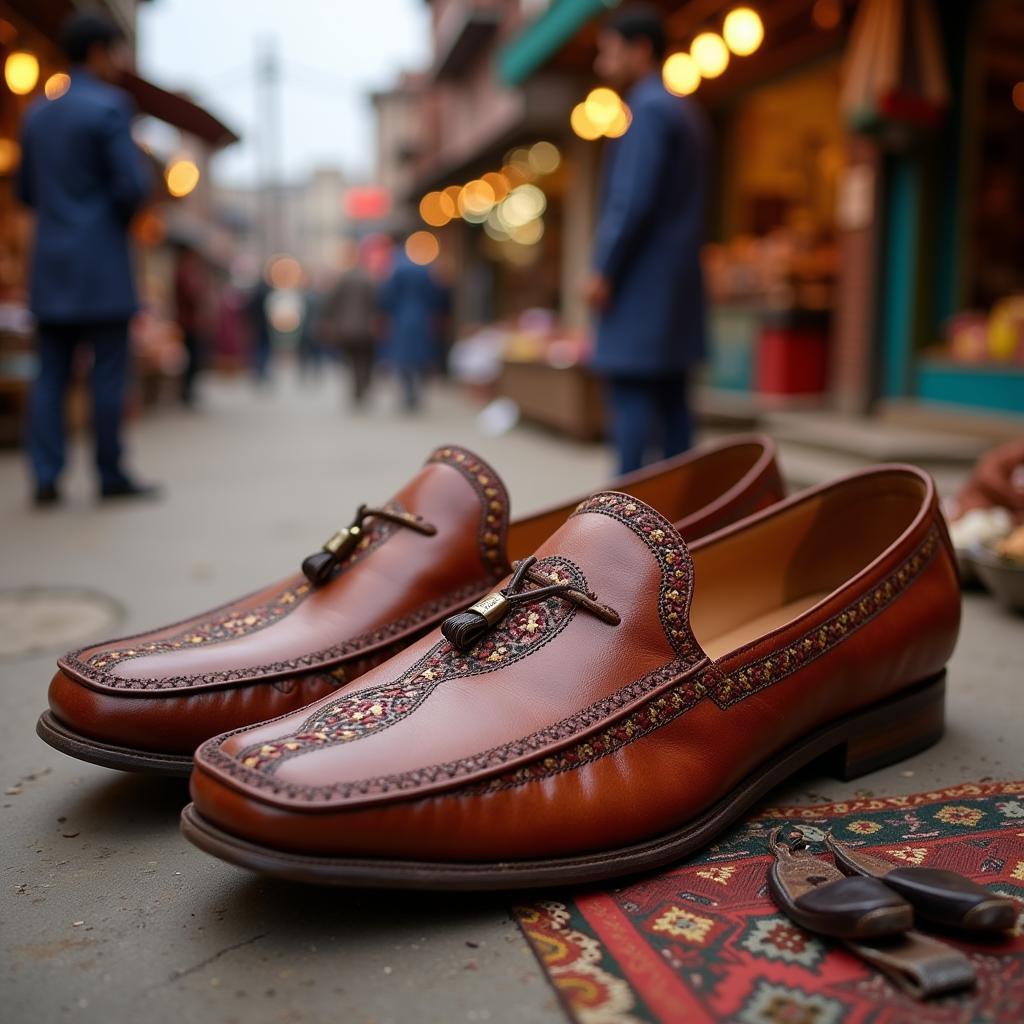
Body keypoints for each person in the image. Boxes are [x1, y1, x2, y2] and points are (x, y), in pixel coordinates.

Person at [18, 11, 156, 504]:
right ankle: (109, 473)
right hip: (101, 266)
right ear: (99, 51)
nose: (120, 63)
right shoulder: (110, 107)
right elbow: (131, 187)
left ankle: (45, 476)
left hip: (50, 265)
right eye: (116, 52)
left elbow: (27, 193)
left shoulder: (36, 113)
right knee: (107, 372)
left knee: (50, 373)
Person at [583, 4, 711, 475]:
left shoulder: (649, 110)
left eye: (609, 52)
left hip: (642, 288)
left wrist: (603, 270)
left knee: (633, 406)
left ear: (640, 50)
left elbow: (630, 202)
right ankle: (679, 521)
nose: (602, 64)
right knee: (675, 411)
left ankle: (627, 526)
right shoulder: (685, 111)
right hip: (676, 287)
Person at [378, 243, 448, 412]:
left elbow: (387, 296)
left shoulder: (397, 270)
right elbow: (437, 296)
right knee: (420, 357)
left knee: (404, 359)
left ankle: (408, 392)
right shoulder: (427, 272)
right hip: (422, 318)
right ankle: (416, 392)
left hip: (401, 319)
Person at [319, 244, 379, 408]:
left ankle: (357, 387)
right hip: (365, 328)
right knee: (365, 359)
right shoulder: (368, 279)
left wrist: (329, 323)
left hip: (346, 328)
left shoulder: (342, 279)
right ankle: (362, 385)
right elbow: (376, 302)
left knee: (352, 360)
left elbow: (331, 303)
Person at [172, 241, 208, 406]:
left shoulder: (186, 269)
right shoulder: (186, 270)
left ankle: (188, 390)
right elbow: (192, 294)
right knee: (190, 357)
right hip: (188, 322)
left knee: (192, 356)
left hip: (189, 321)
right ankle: (187, 392)